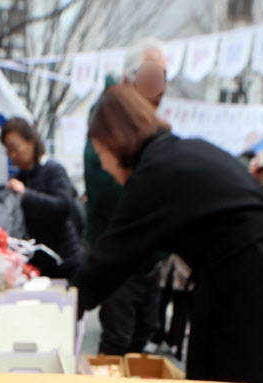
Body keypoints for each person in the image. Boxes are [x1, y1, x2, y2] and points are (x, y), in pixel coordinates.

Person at [75, 85, 263, 383]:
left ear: (116, 140)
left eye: (101, 153)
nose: (102, 166)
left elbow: (109, 260)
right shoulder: (183, 152)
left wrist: (62, 305)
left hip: (257, 288)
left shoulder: (154, 172)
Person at [83, 38, 169, 355]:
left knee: (143, 332)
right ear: (127, 78)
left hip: (150, 256)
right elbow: (104, 188)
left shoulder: (155, 128)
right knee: (118, 337)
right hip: (120, 250)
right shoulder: (110, 116)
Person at [1, 117, 82, 279]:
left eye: (14, 148)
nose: (12, 155)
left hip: (65, 261)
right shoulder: (20, 179)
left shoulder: (53, 169)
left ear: (31, 141)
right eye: (8, 151)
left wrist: (26, 195)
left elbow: (63, 206)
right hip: (39, 265)